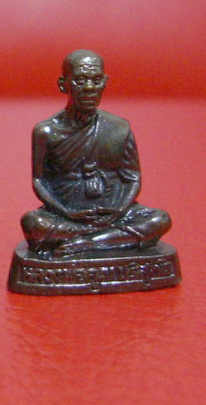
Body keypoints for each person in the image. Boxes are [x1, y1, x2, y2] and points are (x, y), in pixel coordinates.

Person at [21, 49, 171, 257]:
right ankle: (109, 239)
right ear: (64, 84)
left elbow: (132, 177)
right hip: (68, 215)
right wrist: (67, 212)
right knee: (33, 223)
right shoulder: (46, 132)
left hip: (114, 212)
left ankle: (86, 243)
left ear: (105, 83)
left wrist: (119, 210)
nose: (89, 88)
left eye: (96, 80)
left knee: (159, 219)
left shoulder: (119, 127)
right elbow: (39, 180)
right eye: (80, 80)